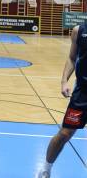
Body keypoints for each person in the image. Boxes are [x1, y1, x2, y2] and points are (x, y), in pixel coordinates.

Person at [37, 24, 86, 178]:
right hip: (83, 94)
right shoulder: (80, 31)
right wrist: (64, 81)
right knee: (65, 134)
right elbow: (72, 58)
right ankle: (45, 170)